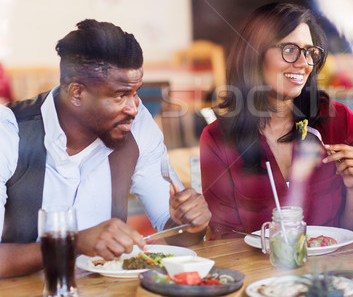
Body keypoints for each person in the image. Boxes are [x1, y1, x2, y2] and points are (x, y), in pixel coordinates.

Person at [0, 20, 211, 278]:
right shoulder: (9, 132)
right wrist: (73, 242)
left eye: (136, 92)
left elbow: (177, 235)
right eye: (120, 95)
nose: (134, 108)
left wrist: (191, 225)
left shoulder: (138, 126)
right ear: (77, 93)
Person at [199, 3, 353, 239]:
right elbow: (222, 238)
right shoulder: (219, 138)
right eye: (290, 50)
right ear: (254, 54)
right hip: (260, 273)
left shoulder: (338, 122)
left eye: (310, 53)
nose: (304, 63)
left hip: (328, 270)